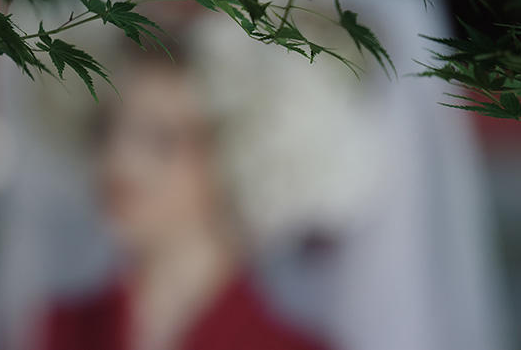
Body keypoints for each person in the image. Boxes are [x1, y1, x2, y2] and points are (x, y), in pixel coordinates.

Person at [38, 46, 330, 350]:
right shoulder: (49, 330)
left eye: (162, 139)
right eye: (105, 130)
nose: (119, 160)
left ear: (231, 157)